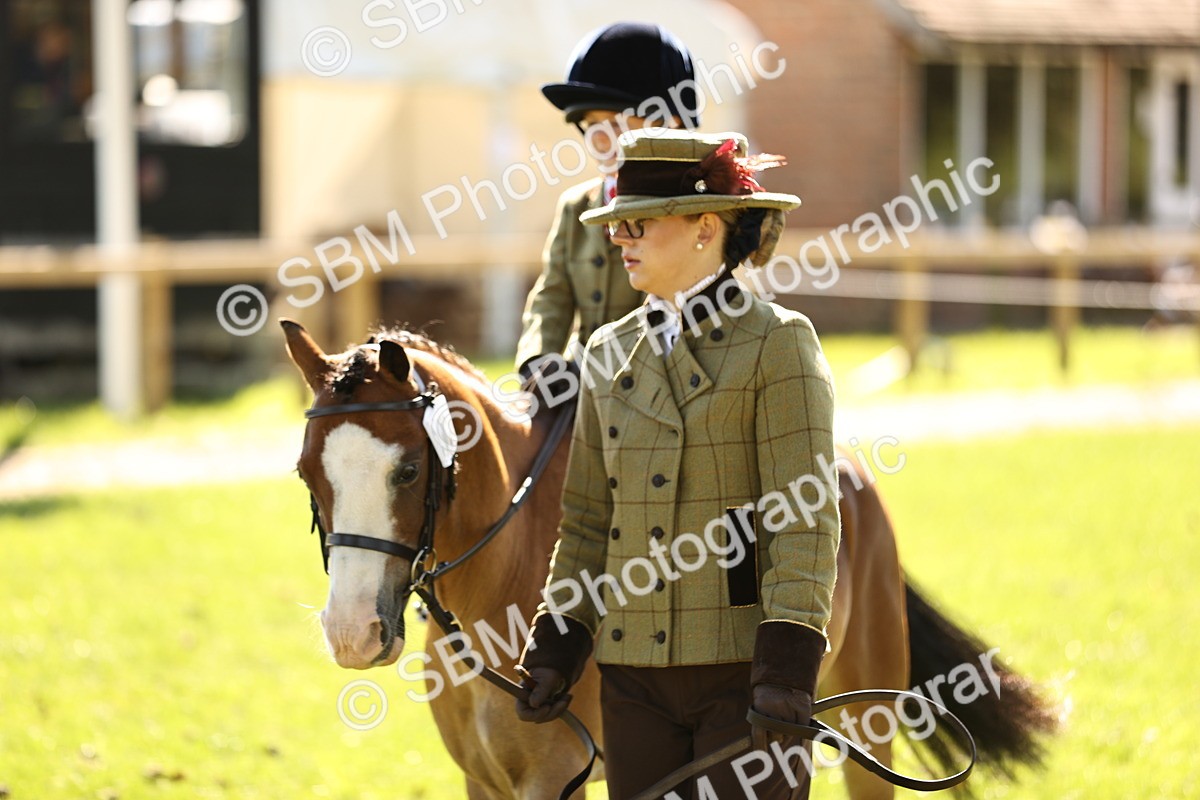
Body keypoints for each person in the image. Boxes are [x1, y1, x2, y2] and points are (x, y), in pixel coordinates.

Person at [514, 129, 841, 799]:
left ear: (704, 225)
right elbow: (584, 521)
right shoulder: (604, 353)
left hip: (743, 673)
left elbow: (805, 518)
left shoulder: (778, 343)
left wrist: (785, 668)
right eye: (615, 223)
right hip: (632, 675)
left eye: (637, 223)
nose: (618, 238)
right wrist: (557, 643)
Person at [514, 22, 700, 376]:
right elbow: (552, 294)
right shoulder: (576, 206)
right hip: (580, 378)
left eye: (616, 123)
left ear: (670, 122)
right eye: (591, 125)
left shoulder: (694, 207)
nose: (601, 140)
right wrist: (538, 359)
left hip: (661, 377)